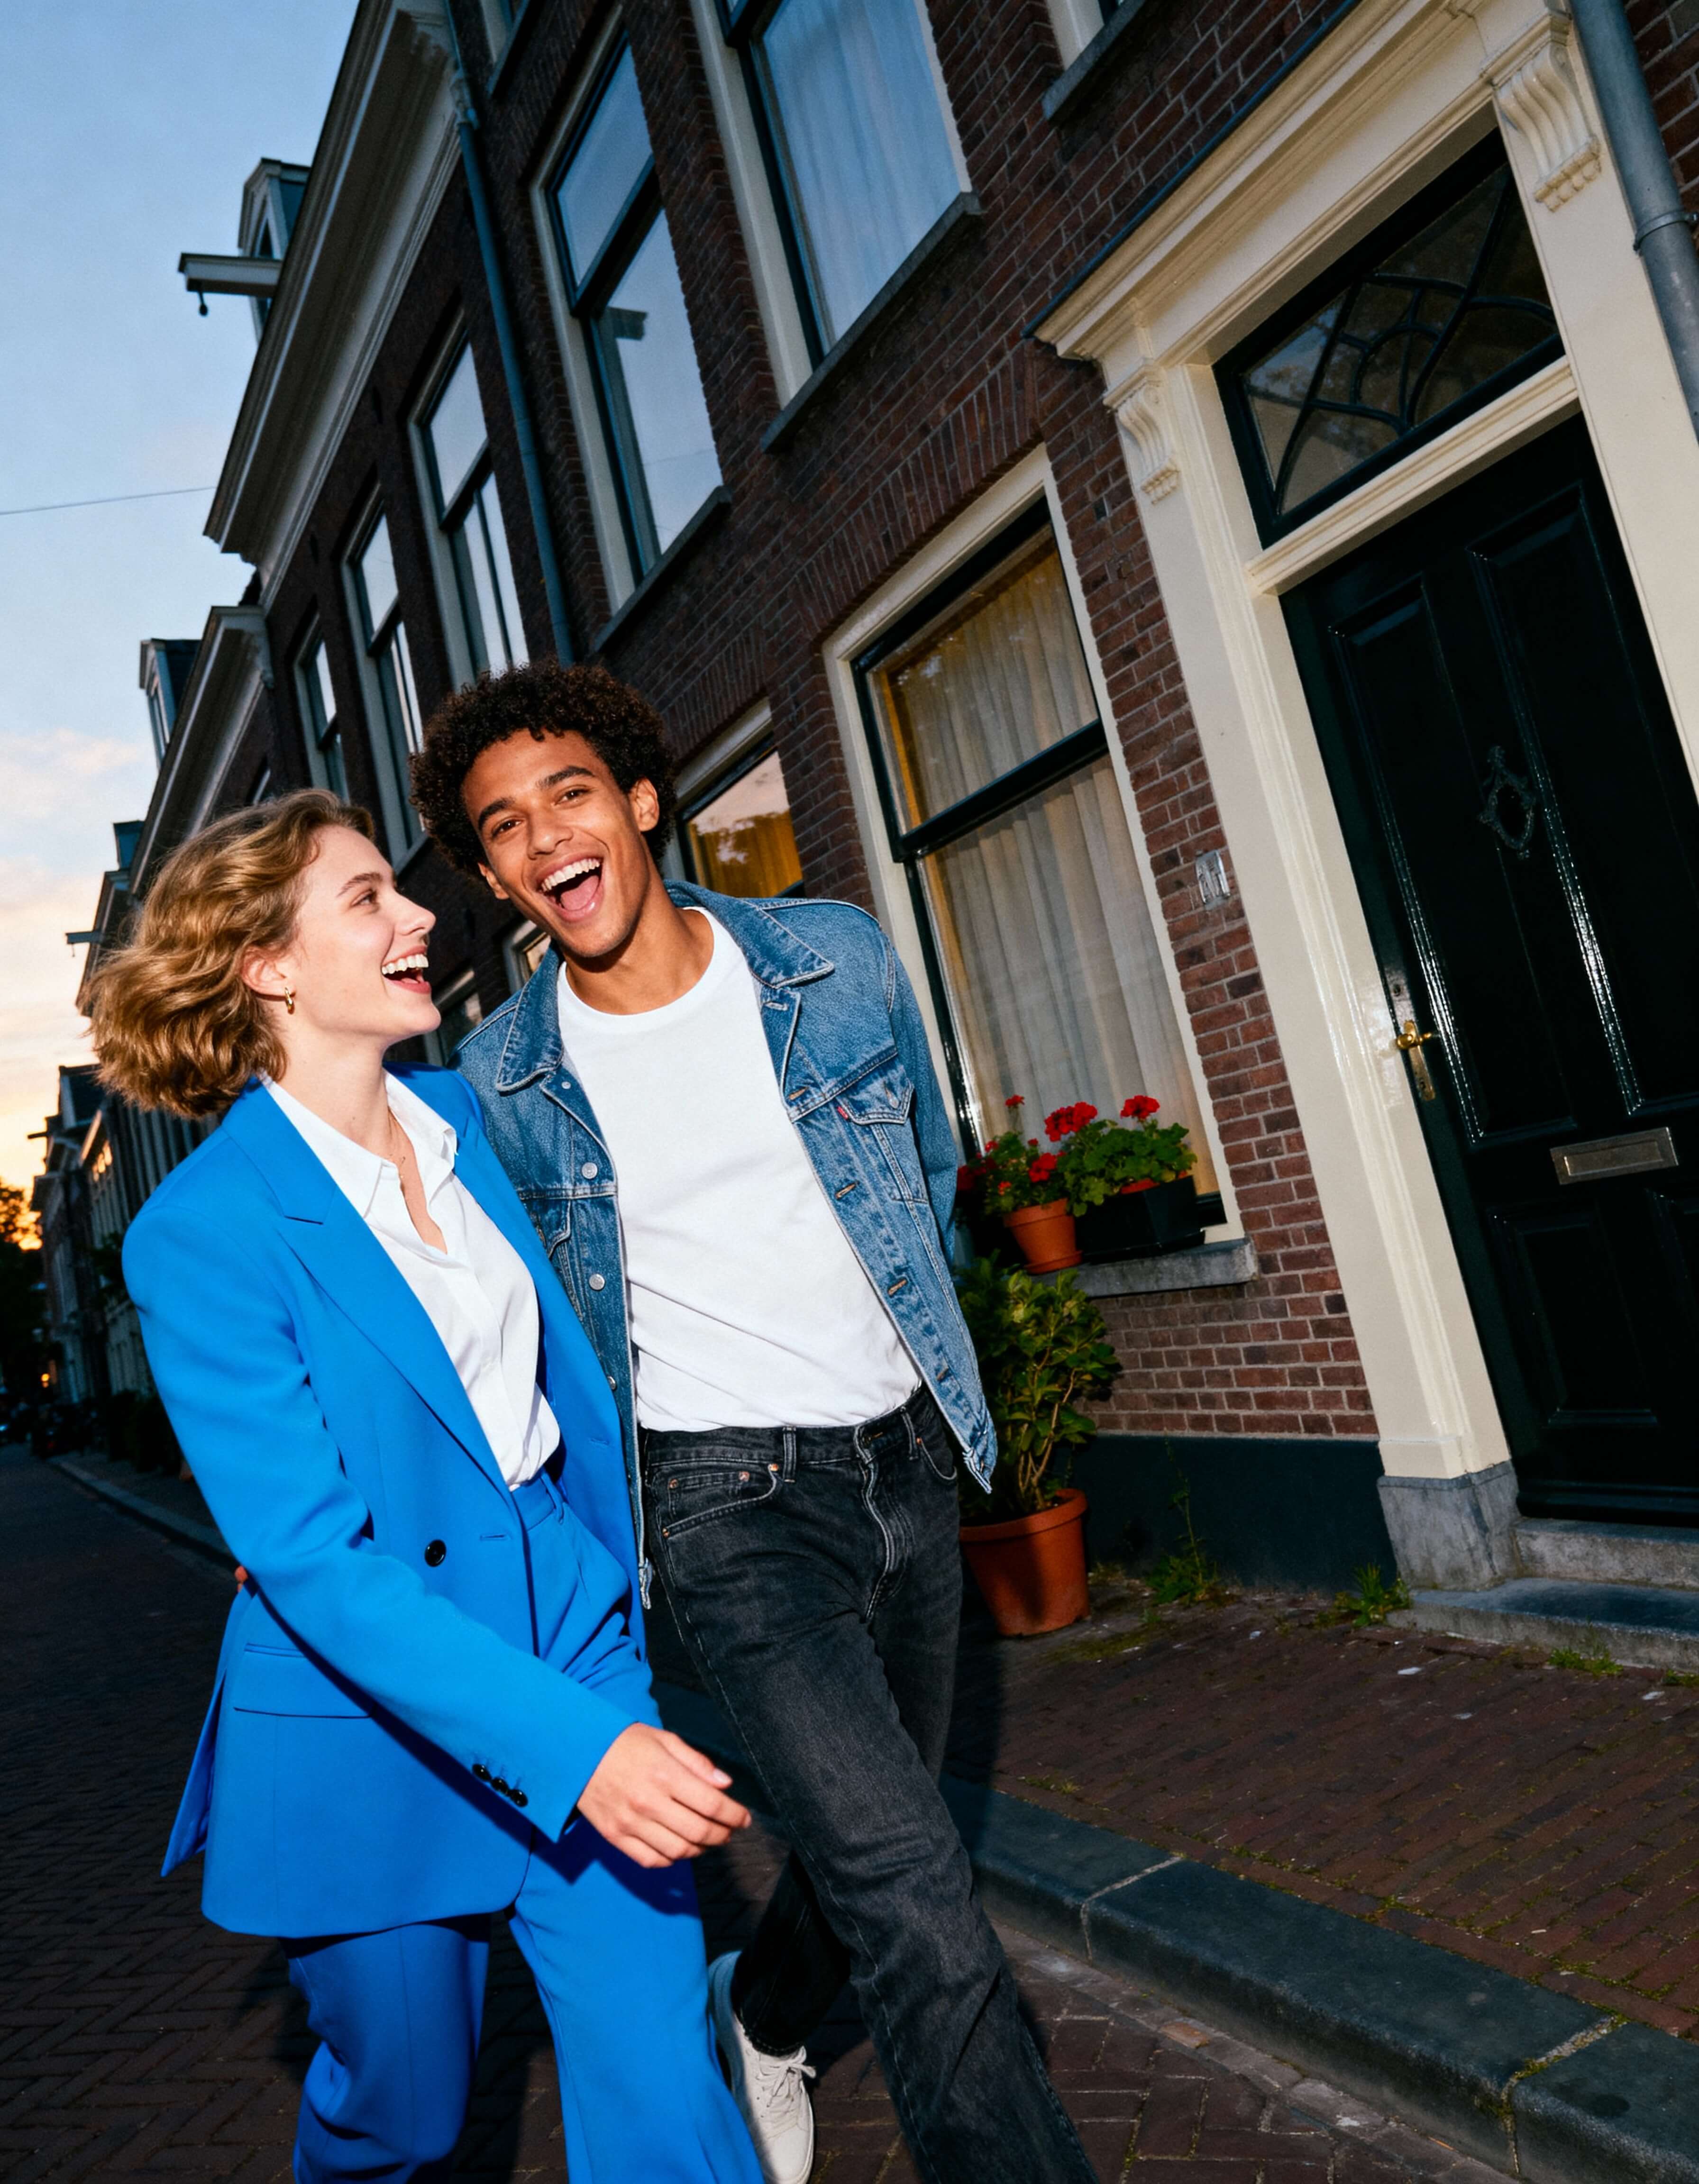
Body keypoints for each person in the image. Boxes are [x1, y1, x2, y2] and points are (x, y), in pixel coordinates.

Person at [414, 662, 1095, 2184]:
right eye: (502, 827)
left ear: (644, 801)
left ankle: (767, 2015)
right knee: (922, 1899)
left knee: (883, 1849)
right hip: (723, 1509)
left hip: (906, 1460)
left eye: (571, 795)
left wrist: (927, 1375)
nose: (545, 841)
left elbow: (921, 1177)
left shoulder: (830, 957)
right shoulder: (501, 1084)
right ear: (487, 872)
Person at [90, 790, 762, 2184]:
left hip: (572, 1634)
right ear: (269, 966)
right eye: (368, 901)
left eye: (404, 892)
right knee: (400, 2119)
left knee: (664, 2087)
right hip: (369, 1725)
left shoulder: (475, 1120)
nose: (418, 918)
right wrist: (576, 1754)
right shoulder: (198, 1232)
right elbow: (318, 1563)